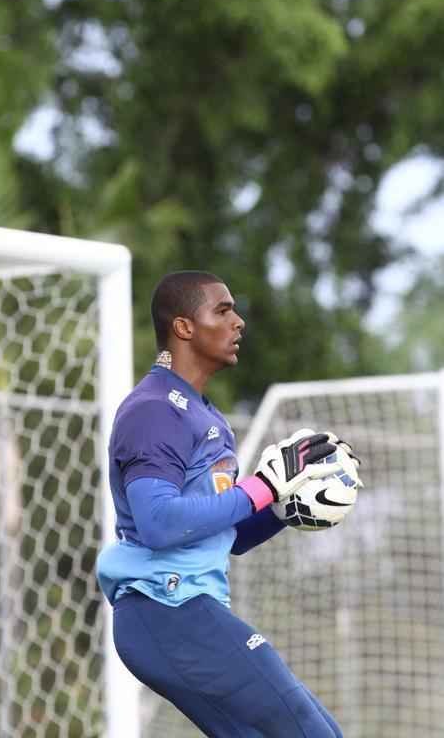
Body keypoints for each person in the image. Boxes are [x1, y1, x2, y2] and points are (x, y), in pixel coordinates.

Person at [97, 270, 359, 737]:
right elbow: (158, 523)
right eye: (222, 310)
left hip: (185, 611)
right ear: (184, 327)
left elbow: (226, 534)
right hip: (166, 609)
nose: (238, 321)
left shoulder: (203, 413)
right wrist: (263, 487)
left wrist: (283, 507)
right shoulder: (155, 408)